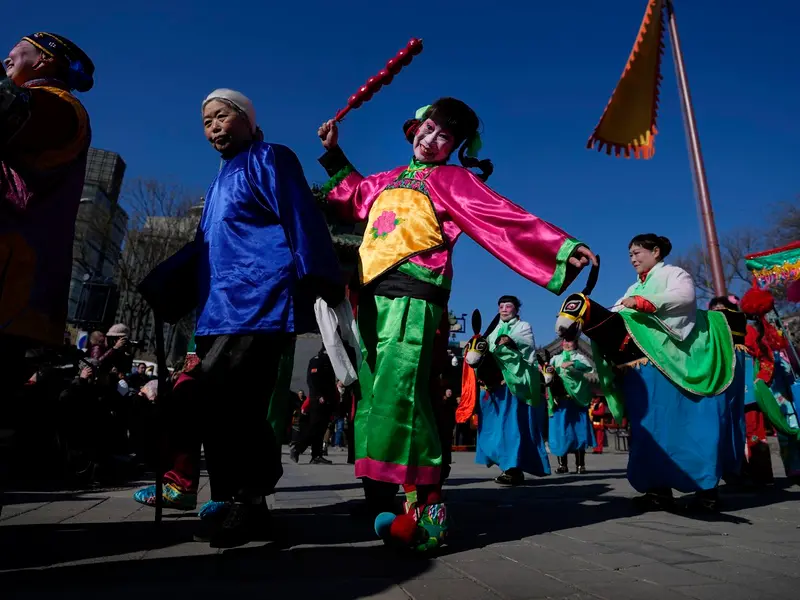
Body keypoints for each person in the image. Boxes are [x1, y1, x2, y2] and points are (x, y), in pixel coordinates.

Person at [317, 98, 596, 551]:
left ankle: (428, 509)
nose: (430, 141)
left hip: (414, 295)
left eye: (442, 136)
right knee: (374, 396)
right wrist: (332, 151)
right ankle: (389, 499)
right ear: (414, 130)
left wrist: (562, 248)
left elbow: (503, 217)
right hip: (371, 297)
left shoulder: (452, 179)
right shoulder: (387, 179)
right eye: (426, 130)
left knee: (403, 395)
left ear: (454, 146)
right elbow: (352, 194)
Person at [169, 89, 343, 548]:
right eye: (206, 122)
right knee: (229, 406)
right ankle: (238, 503)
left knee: (223, 397)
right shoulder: (217, 181)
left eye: (222, 117)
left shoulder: (270, 158)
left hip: (258, 299)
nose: (213, 128)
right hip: (216, 308)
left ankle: (248, 493)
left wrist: (319, 274)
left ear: (247, 120)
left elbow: (300, 215)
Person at [603, 233, 744, 511]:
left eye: (637, 252)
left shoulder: (675, 274)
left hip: (681, 359)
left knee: (690, 424)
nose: (632, 258)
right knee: (653, 426)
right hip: (650, 366)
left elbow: (683, 299)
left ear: (656, 251)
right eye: (630, 254)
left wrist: (643, 303)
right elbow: (615, 312)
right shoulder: (633, 287)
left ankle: (706, 490)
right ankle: (658, 489)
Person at [1, 32, 94, 401]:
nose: (7, 58)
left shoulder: (60, 108)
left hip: (13, 295)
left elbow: (8, 111)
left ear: (43, 60)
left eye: (14, 53)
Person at [475, 295, 550, 486]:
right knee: (495, 427)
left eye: (508, 306)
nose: (504, 309)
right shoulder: (493, 329)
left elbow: (526, 346)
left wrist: (510, 339)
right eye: (501, 306)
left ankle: (514, 469)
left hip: (514, 383)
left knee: (512, 427)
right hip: (496, 385)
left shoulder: (523, 327)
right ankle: (506, 466)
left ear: (517, 309)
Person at [548, 339, 596, 473]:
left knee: (578, 431)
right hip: (560, 401)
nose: (567, 344)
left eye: (570, 341)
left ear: (576, 343)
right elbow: (547, 373)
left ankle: (581, 464)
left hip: (576, 400)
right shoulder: (555, 358)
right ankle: (562, 465)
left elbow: (588, 368)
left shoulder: (580, 357)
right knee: (560, 431)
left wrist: (572, 363)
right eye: (565, 341)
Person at [291, 347, 338, 465]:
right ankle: (297, 448)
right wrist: (319, 396)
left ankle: (316, 455)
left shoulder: (330, 361)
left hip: (327, 400)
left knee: (321, 430)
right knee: (315, 428)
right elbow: (312, 380)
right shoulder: (317, 360)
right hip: (318, 400)